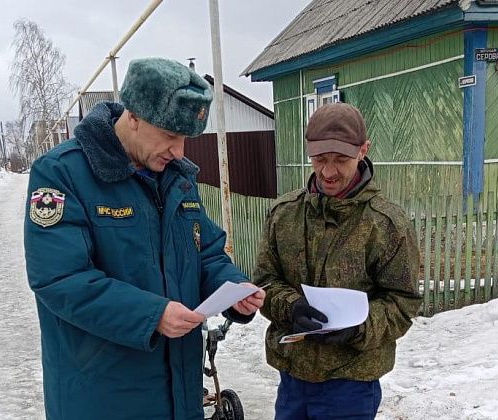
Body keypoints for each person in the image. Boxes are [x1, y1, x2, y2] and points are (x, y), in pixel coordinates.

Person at [24, 57, 264, 420]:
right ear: (133, 117)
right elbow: (59, 279)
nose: (179, 151)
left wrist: (234, 288)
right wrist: (153, 315)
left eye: (185, 138)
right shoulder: (62, 174)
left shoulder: (178, 179)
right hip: (102, 396)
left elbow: (206, 253)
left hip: (179, 395)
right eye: (170, 135)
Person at [253, 103, 422, 419]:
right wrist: (291, 307)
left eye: (341, 160)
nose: (328, 171)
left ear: (363, 150)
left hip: (351, 382)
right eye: (319, 159)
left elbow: (403, 303)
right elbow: (264, 282)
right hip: (293, 377)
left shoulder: (386, 224)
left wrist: (359, 328)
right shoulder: (284, 214)